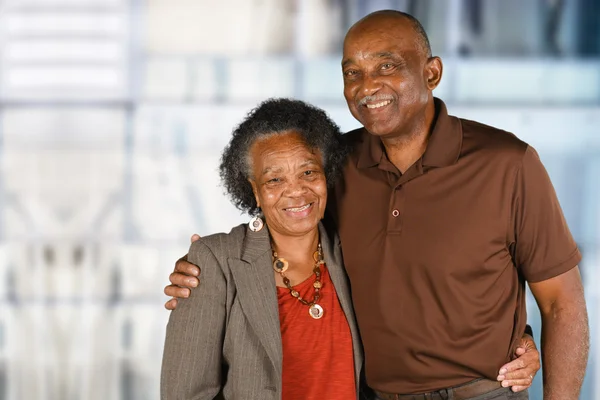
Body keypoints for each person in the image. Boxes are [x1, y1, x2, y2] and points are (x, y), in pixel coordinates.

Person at [166, 10, 590, 399]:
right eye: (353, 72)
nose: (367, 86)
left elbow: (562, 303)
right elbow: (283, 217)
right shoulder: (337, 165)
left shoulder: (507, 163)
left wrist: (527, 345)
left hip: (482, 393)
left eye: (387, 66)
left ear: (432, 72)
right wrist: (205, 271)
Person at [161, 98, 365, 400]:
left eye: (308, 172)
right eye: (275, 179)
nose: (296, 190)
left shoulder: (352, 249)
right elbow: (185, 393)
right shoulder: (216, 261)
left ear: (326, 174)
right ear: (254, 190)